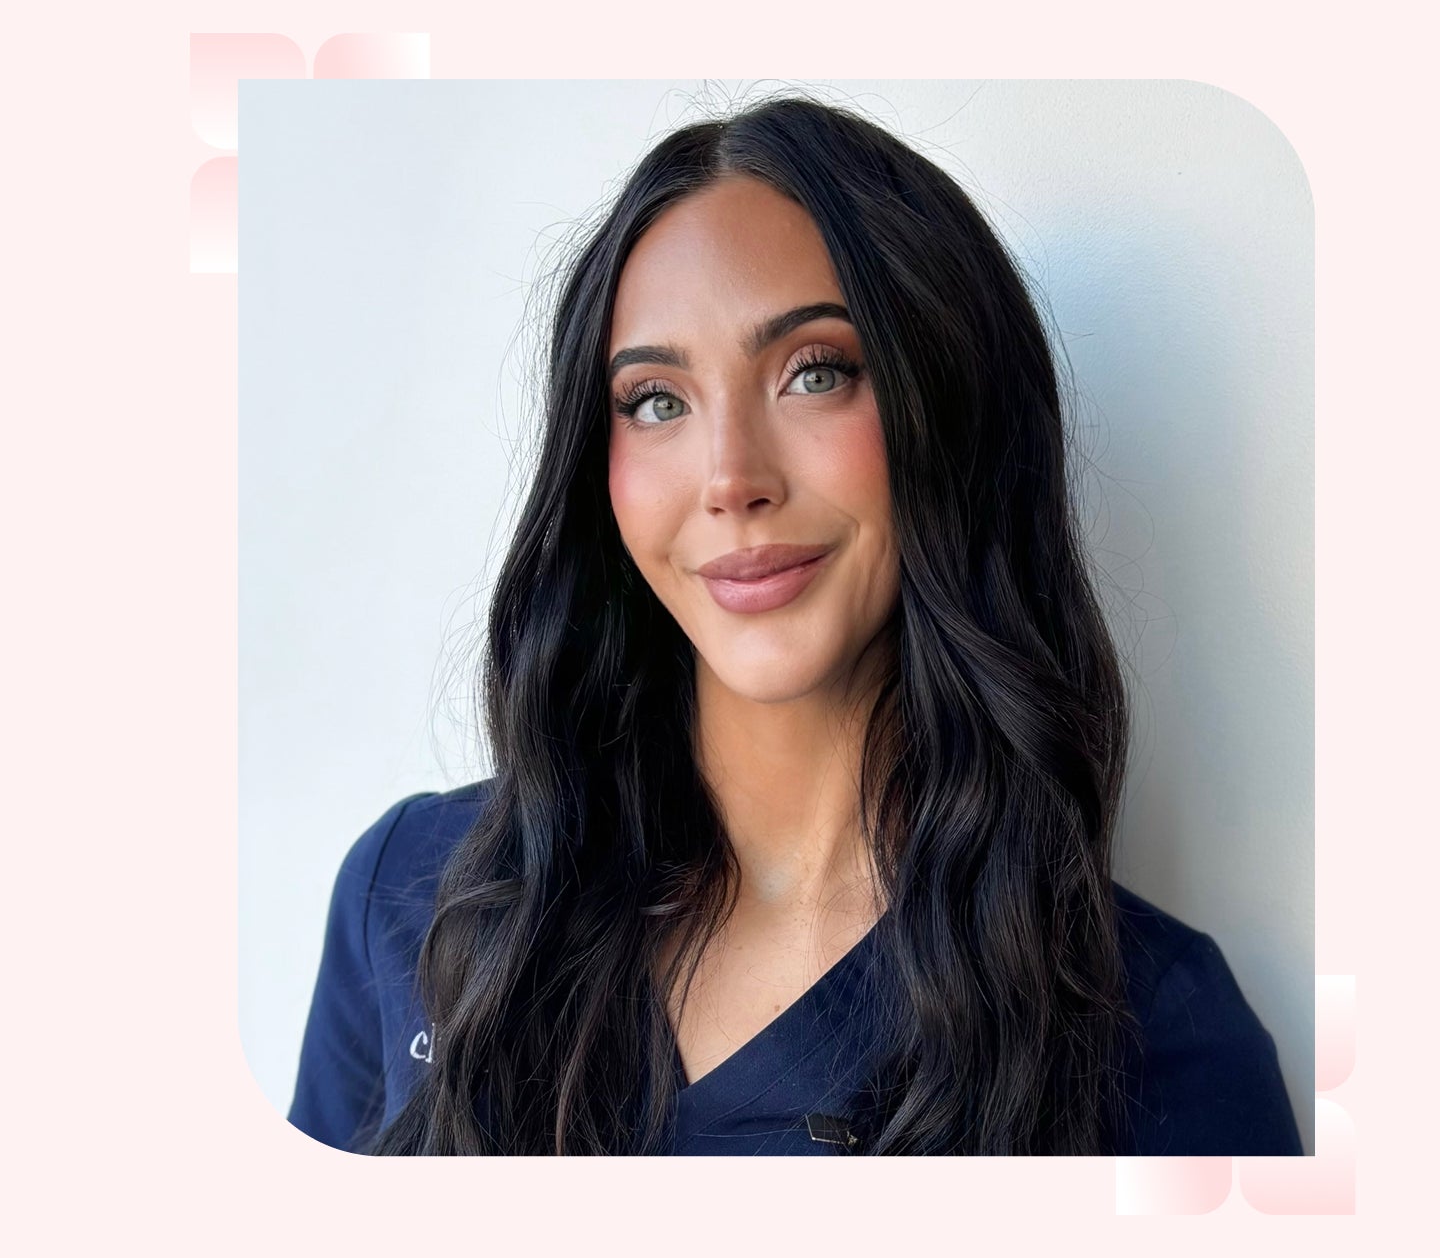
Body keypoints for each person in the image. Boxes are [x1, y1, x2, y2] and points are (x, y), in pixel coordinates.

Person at [286, 94, 1303, 1156]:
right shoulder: (409, 903)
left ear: (948, 409)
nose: (731, 479)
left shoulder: (1160, 1037)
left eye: (815, 373)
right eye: (655, 400)